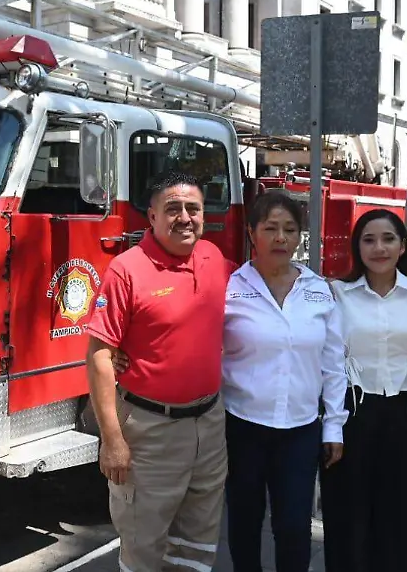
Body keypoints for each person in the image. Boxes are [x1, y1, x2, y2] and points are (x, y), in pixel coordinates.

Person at [110, 190, 350, 572]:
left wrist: (334, 426)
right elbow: (181, 327)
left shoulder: (319, 291)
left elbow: (334, 363)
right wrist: (124, 349)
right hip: (242, 427)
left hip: (300, 430)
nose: (280, 238)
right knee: (243, 522)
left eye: (290, 229)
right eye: (270, 228)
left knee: (293, 527)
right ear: (252, 233)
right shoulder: (231, 284)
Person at [84, 170, 230, 572]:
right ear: (151, 217)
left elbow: (260, 289)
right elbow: (99, 354)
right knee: (143, 546)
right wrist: (112, 441)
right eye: (173, 209)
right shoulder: (126, 270)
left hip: (209, 427)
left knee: (198, 543)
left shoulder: (213, 258)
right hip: (150, 432)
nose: (184, 218)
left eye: (193, 209)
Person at [321, 208, 407, 571]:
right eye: (368, 240)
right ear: (357, 247)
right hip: (353, 410)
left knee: (405, 507)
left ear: (402, 246)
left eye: (388, 239)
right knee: (349, 508)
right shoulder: (338, 294)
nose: (379, 248)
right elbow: (327, 358)